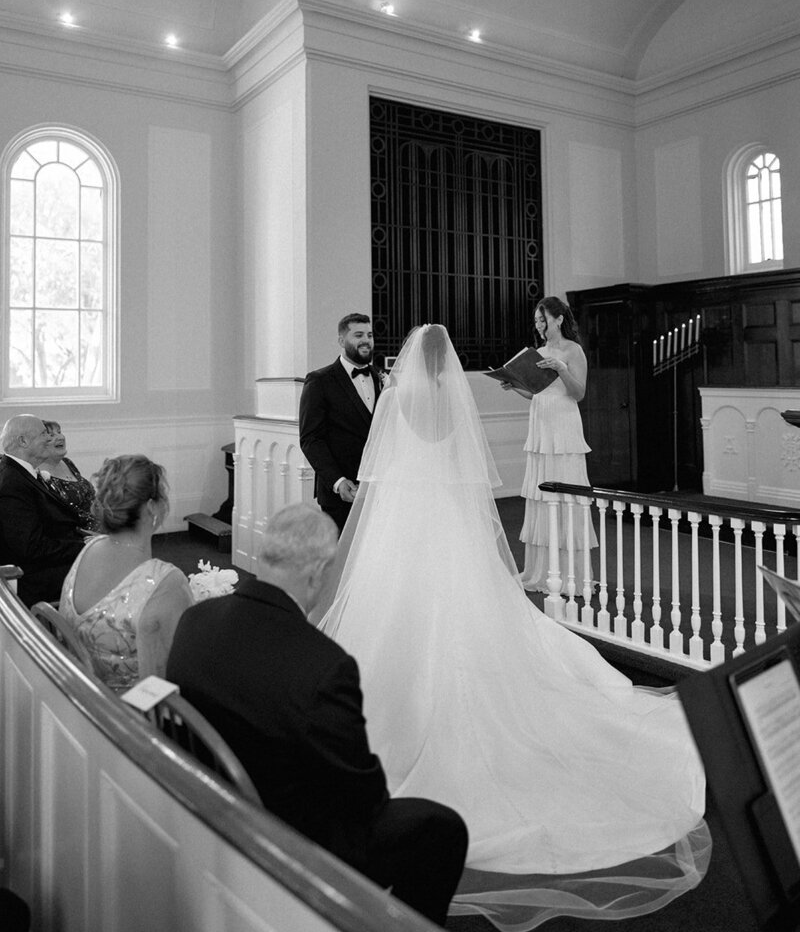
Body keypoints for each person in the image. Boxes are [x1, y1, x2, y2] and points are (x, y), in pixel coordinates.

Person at [314, 324, 711, 931]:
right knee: (467, 618)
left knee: (391, 619)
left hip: (402, 528)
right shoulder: (454, 400)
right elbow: (472, 480)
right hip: (450, 524)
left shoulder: (396, 399)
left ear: (409, 364)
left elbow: (376, 480)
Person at [166, 502, 468, 928]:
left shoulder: (195, 621)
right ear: (316, 573)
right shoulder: (323, 666)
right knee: (442, 828)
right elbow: (364, 798)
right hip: (288, 837)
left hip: (214, 803)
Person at [59, 455, 192, 692]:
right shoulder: (165, 582)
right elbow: (177, 674)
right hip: (132, 717)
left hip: (78, 694)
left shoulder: (89, 548)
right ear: (152, 507)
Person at [504, 296, 598, 592]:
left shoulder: (574, 351)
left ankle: (573, 574)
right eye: (536, 321)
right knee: (542, 496)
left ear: (558, 319)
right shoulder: (538, 352)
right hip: (541, 425)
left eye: (543, 319)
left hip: (565, 426)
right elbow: (537, 394)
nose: (540, 325)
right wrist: (514, 385)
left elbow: (578, 392)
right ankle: (541, 571)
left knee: (565, 495)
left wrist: (561, 368)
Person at [299, 313, 383, 532]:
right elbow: (311, 439)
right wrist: (338, 481)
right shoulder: (320, 381)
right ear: (341, 341)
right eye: (358, 335)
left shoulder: (382, 379)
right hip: (341, 496)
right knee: (341, 562)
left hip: (378, 491)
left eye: (370, 335)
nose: (366, 340)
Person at [0, 414, 86, 607]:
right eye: (43, 434)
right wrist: (83, 546)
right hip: (29, 577)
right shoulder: (12, 483)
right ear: (23, 441)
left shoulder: (20, 471)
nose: (49, 438)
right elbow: (31, 547)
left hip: (44, 563)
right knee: (108, 565)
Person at [40, 420, 97, 532]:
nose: (60, 437)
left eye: (59, 432)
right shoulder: (38, 475)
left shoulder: (67, 463)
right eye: (51, 435)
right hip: (76, 535)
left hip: (99, 526)